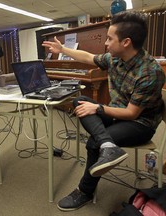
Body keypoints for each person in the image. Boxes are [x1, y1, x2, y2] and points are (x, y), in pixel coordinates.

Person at [42, 11, 165, 211]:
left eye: (109, 39)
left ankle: (85, 191)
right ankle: (108, 145)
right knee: (80, 101)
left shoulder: (150, 72)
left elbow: (132, 114)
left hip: (141, 124)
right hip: (118, 113)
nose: (106, 43)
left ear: (126, 42)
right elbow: (89, 58)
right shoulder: (115, 59)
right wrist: (63, 48)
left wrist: (98, 107)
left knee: (93, 142)